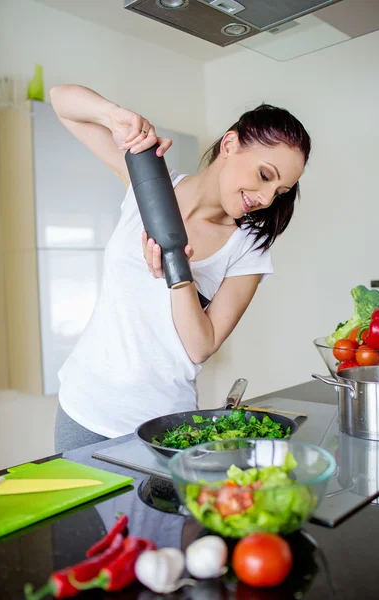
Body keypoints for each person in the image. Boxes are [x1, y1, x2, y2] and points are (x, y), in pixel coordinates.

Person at [50, 85, 311, 453]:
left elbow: (201, 345)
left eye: (280, 191)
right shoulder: (148, 183)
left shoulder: (247, 248)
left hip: (162, 426)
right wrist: (113, 115)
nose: (267, 198)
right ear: (230, 143)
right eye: (266, 176)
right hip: (83, 408)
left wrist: (178, 275)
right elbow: (61, 102)